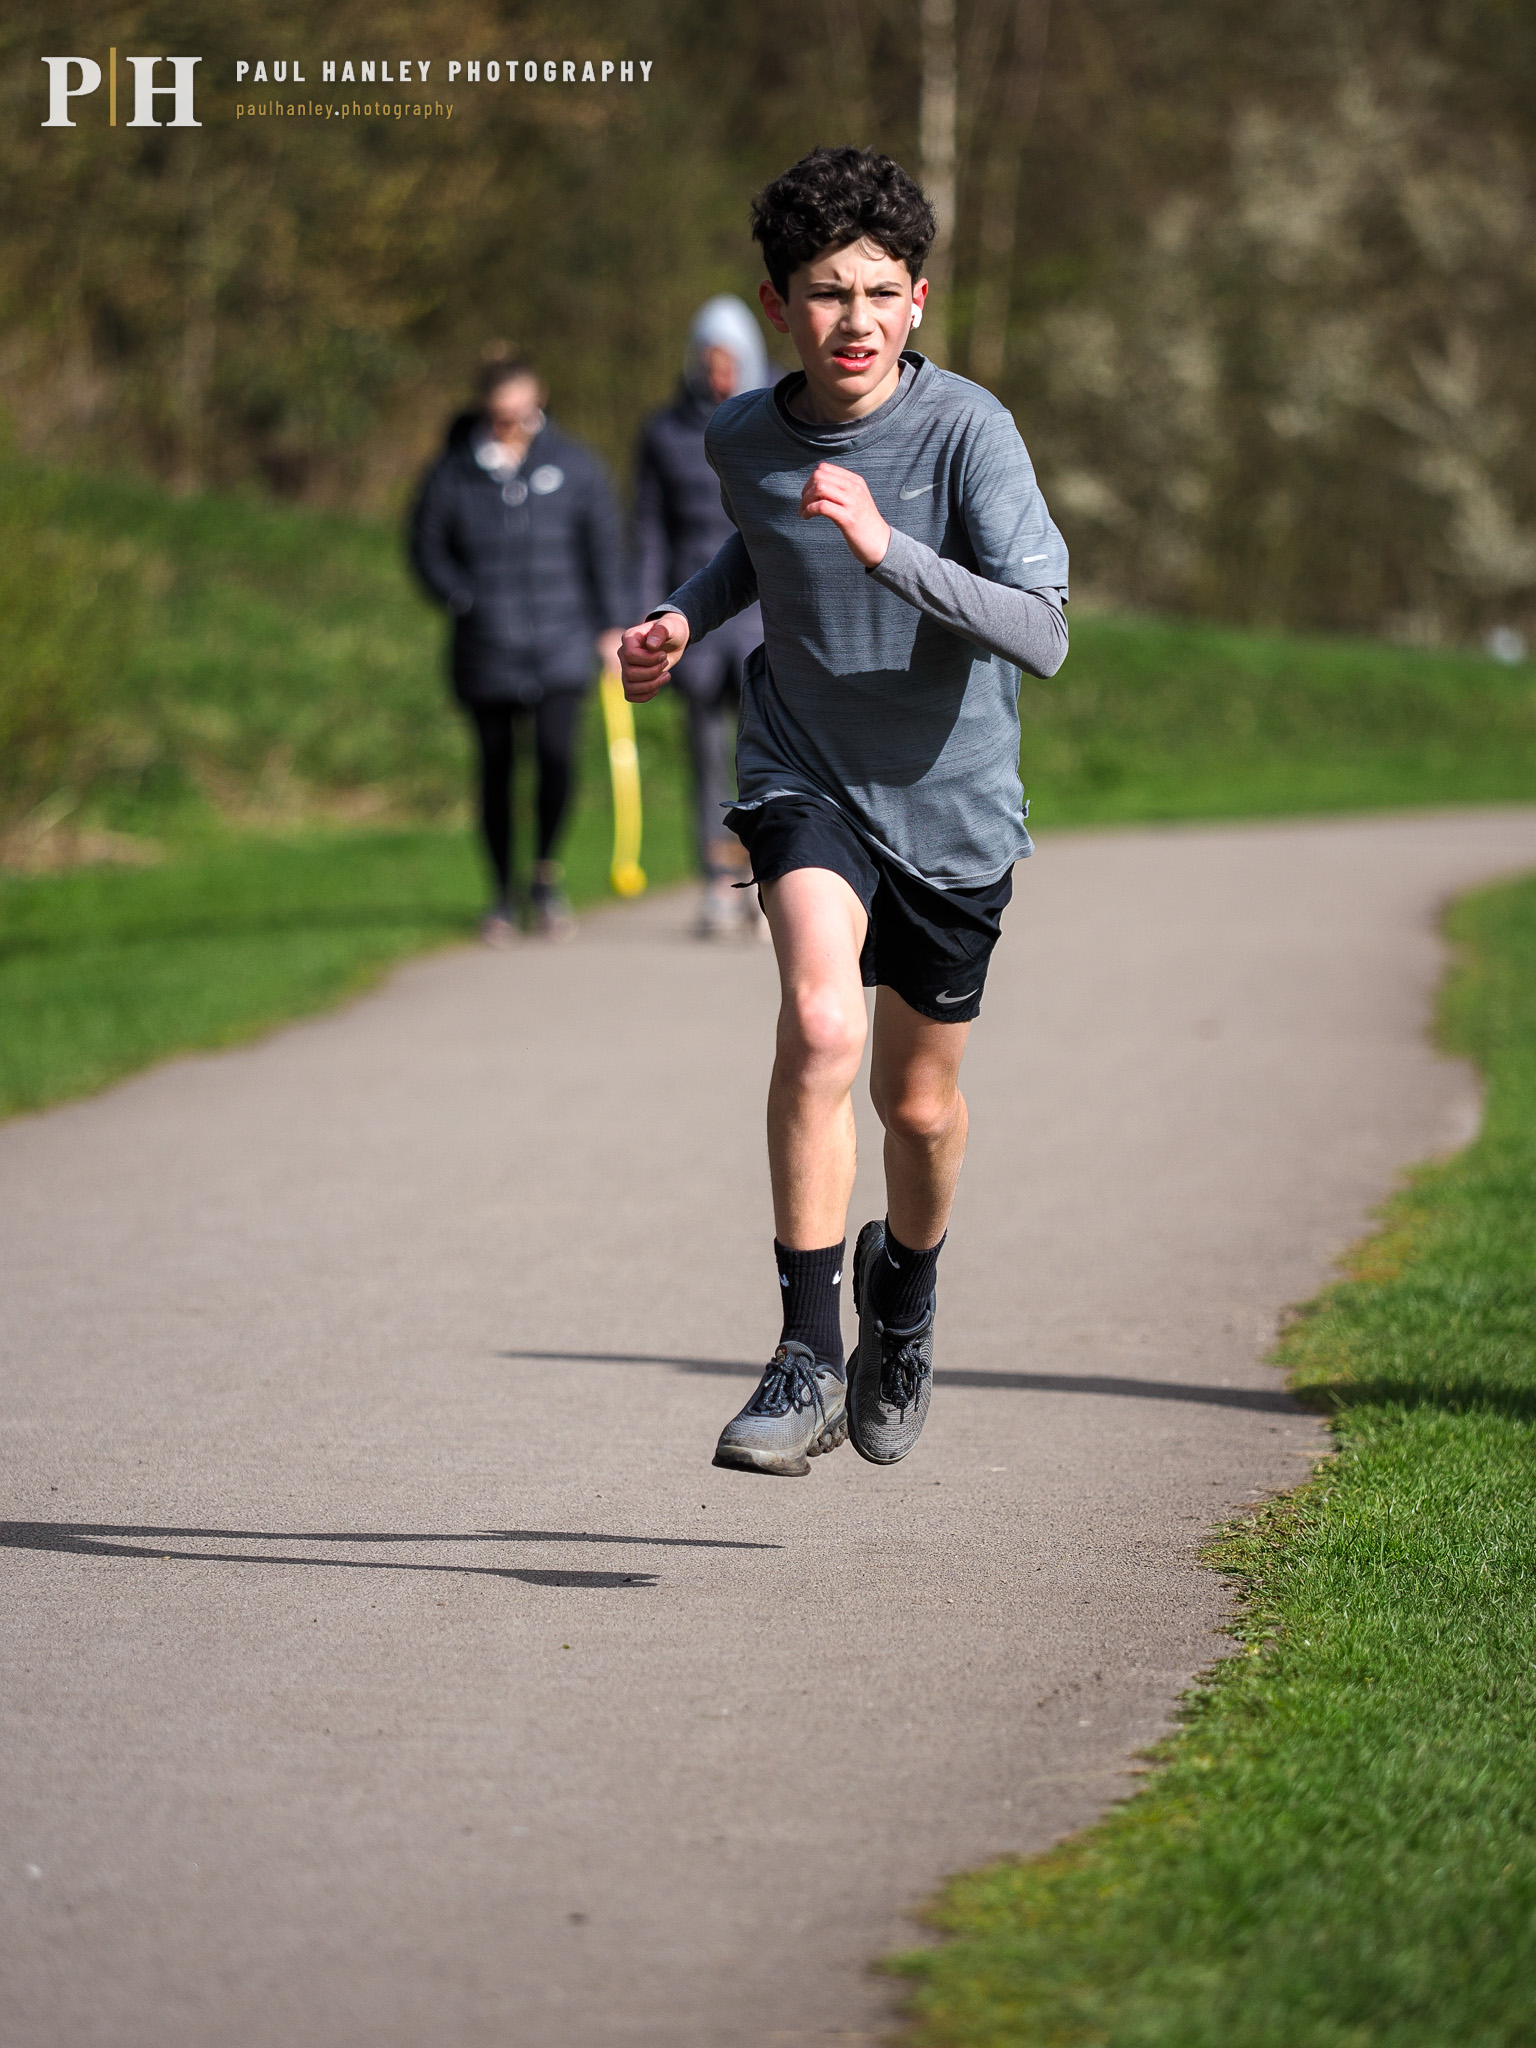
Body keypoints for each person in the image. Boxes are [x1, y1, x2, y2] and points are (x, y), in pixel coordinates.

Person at [620, 147, 1069, 1476]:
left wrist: (890, 548)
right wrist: (681, 619)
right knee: (820, 1027)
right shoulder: (742, 433)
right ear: (777, 306)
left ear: (918, 300)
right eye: (825, 294)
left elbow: (1041, 631)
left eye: (879, 292)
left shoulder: (969, 433)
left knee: (916, 1110)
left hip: (953, 808)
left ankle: (906, 1297)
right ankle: (808, 1349)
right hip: (801, 765)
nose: (854, 321)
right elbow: (760, 541)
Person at [410, 351, 630, 941]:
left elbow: (604, 549)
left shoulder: (576, 465)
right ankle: (502, 893)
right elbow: (425, 547)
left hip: (562, 642)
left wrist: (613, 626)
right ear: (487, 407)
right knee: (497, 772)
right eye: (501, 411)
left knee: (557, 759)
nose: (511, 421)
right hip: (486, 648)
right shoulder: (453, 471)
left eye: (521, 409)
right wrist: (463, 598)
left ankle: (545, 877)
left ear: (538, 399)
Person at [634, 297, 771, 938]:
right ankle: (716, 884)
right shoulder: (662, 434)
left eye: (731, 362)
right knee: (706, 760)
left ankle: (767, 882)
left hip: (761, 619)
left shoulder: (776, 421)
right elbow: (649, 531)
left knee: (764, 762)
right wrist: (641, 616)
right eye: (710, 361)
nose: (720, 374)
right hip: (692, 620)